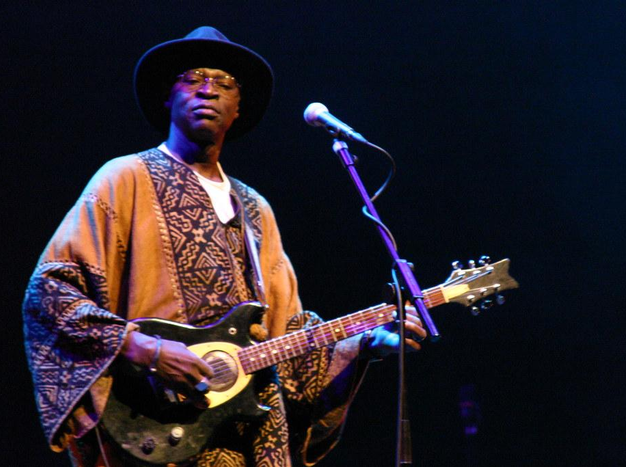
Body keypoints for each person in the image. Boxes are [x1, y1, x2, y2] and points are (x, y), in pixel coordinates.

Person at [22, 26, 426, 466]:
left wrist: (362, 345)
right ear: (168, 96)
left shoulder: (255, 208)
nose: (208, 90)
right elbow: (51, 292)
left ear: (237, 110)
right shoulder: (125, 179)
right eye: (193, 78)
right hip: (159, 425)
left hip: (250, 431)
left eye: (224, 84)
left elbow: (288, 334)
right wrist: (149, 350)